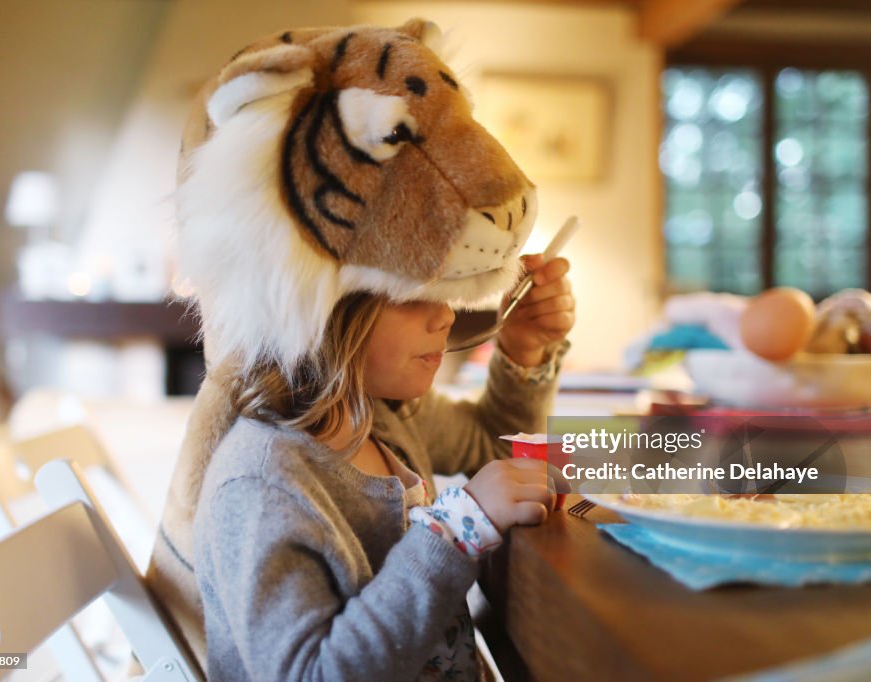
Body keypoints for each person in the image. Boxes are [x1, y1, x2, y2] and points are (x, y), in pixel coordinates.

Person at [146, 19, 574, 681]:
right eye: (413, 296)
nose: (446, 316)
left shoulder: (379, 415)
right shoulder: (260, 485)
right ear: (325, 310)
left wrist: (523, 352)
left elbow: (491, 448)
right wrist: (455, 532)